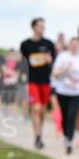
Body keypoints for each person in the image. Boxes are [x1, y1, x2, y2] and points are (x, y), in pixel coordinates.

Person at [20, 17, 56, 149]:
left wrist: (49, 59)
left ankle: (39, 132)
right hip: (32, 80)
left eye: (44, 26)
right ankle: (37, 136)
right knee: (36, 108)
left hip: (45, 80)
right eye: (40, 26)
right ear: (34, 27)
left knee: (42, 110)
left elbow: (53, 62)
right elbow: (22, 63)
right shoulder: (25, 44)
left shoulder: (48, 44)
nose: (43, 28)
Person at [52, 37, 79, 154]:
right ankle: (66, 135)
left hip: (77, 92)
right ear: (69, 45)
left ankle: (69, 141)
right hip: (63, 91)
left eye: (76, 45)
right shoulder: (62, 56)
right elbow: (55, 73)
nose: (74, 46)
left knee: (72, 116)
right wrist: (65, 69)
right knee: (65, 116)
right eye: (72, 44)